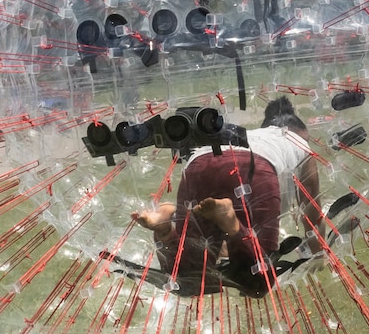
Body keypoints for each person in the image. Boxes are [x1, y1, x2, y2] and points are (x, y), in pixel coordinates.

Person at [130, 96, 320, 295]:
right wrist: (319, 252)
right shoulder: (299, 142)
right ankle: (229, 221)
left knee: (187, 279)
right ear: (299, 130)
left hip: (199, 163)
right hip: (254, 166)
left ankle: (165, 230)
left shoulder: (253, 134)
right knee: (259, 280)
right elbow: (311, 211)